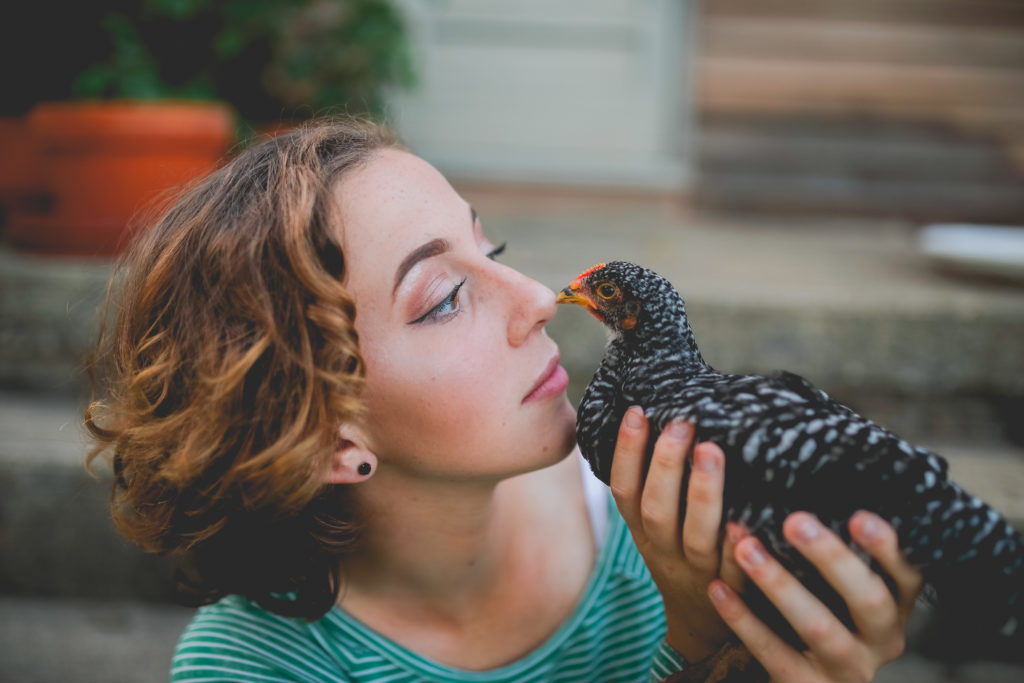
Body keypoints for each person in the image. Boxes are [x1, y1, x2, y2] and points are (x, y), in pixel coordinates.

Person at [85, 118, 922, 682]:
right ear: (325, 435)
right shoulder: (253, 667)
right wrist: (695, 653)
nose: (533, 295)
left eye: (495, 246)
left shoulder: (672, 512)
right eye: (445, 296)